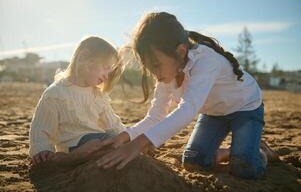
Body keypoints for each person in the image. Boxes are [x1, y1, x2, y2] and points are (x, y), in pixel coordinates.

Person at [89, 12, 279, 179]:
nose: (154, 73)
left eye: (156, 65)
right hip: (214, 113)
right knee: (193, 161)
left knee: (245, 169)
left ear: (180, 51)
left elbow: (187, 110)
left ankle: (261, 151)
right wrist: (125, 137)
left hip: (245, 107)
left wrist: (139, 144)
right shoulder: (166, 75)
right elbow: (155, 117)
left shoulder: (206, 61)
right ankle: (230, 152)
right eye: (149, 68)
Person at [29, 36, 125, 166]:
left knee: (113, 141)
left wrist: (129, 138)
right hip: (74, 146)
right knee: (98, 143)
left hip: (98, 141)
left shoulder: (98, 95)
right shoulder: (56, 93)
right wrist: (42, 149)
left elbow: (114, 125)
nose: (107, 76)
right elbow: (41, 128)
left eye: (110, 71)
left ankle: (84, 155)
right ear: (84, 57)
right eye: (105, 67)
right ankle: (70, 158)